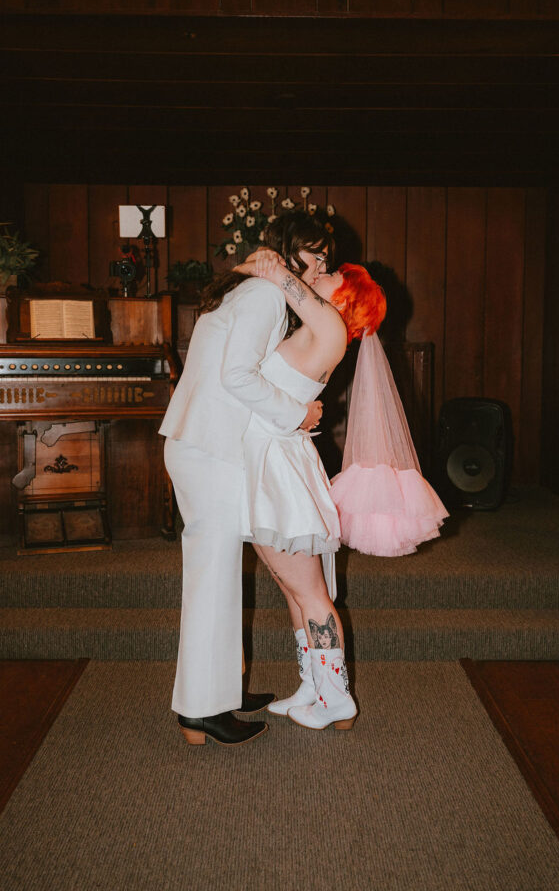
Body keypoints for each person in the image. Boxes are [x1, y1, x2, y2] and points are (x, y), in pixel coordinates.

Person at [237, 254, 447, 730]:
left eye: (333, 274)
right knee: (293, 587)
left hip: (279, 472)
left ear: (344, 298)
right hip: (272, 462)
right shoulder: (317, 327)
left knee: (309, 592)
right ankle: (313, 686)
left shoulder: (328, 327)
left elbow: (275, 274)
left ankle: (336, 697)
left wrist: (273, 262)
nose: (323, 273)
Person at [160, 212, 332, 746]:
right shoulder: (264, 296)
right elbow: (236, 376)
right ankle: (202, 710)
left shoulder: (247, 291)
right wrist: (298, 414)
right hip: (210, 449)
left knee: (217, 576)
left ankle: (221, 691)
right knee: (212, 581)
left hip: (202, 443)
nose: (322, 266)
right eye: (316, 255)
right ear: (289, 252)